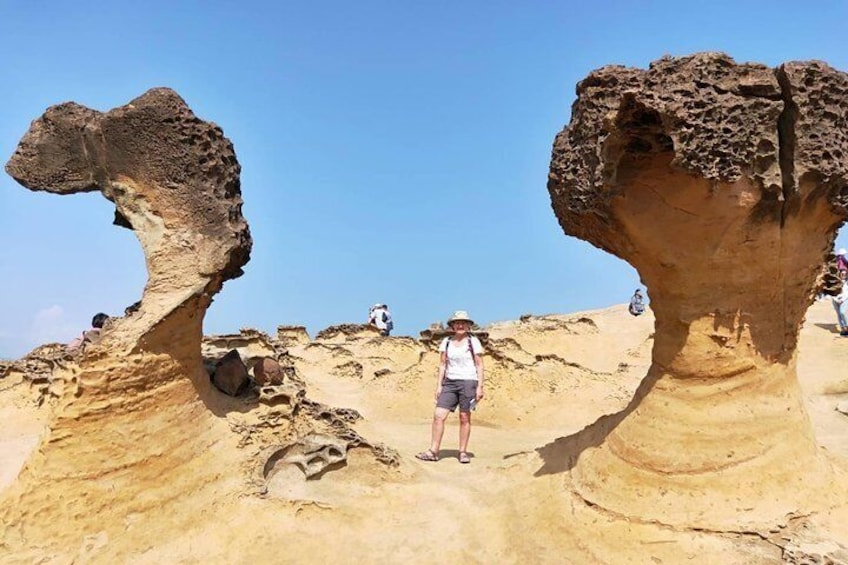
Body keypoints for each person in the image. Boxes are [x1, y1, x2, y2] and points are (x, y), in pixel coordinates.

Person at [416, 310, 484, 464]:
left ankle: (463, 452)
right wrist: (439, 386)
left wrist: (480, 386)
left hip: (468, 381)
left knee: (464, 417)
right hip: (450, 382)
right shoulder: (446, 342)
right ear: (452, 325)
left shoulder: (473, 342)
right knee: (439, 415)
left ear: (468, 325)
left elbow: (479, 365)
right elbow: (442, 365)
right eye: (457, 322)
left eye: (463, 323)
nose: (460, 325)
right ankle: (433, 450)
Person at [833, 271, 848, 336]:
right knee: (838, 314)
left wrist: (842, 300)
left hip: (844, 299)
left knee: (842, 312)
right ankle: (843, 329)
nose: (843, 275)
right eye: (842, 274)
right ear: (839, 274)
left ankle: (846, 326)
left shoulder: (847, 283)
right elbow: (832, 291)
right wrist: (836, 299)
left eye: (845, 274)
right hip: (835, 300)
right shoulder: (835, 282)